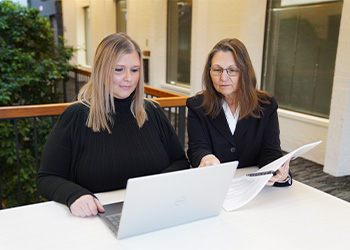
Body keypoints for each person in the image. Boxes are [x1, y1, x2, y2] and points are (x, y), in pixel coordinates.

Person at [37, 33, 190, 217]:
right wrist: (74, 195)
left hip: (154, 211)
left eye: (134, 70)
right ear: (102, 71)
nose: (128, 78)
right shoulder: (76, 117)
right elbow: (47, 178)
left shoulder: (153, 112)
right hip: (97, 219)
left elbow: (180, 161)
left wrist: (157, 184)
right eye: (119, 70)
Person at [186, 38, 291, 187]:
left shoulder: (266, 105)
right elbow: (197, 149)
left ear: (245, 72)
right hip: (215, 185)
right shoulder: (197, 105)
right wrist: (206, 157)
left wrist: (278, 170)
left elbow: (270, 151)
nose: (223, 77)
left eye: (232, 70)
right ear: (209, 72)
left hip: (254, 187)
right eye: (217, 70)